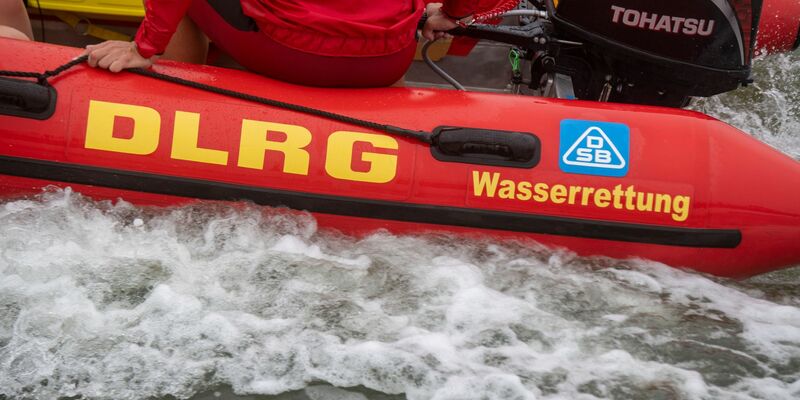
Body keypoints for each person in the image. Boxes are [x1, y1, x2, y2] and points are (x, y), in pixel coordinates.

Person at [81, 0, 484, 87]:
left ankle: (174, 95)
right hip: (386, 60)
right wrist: (452, 12)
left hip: (295, 55)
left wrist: (143, 47)